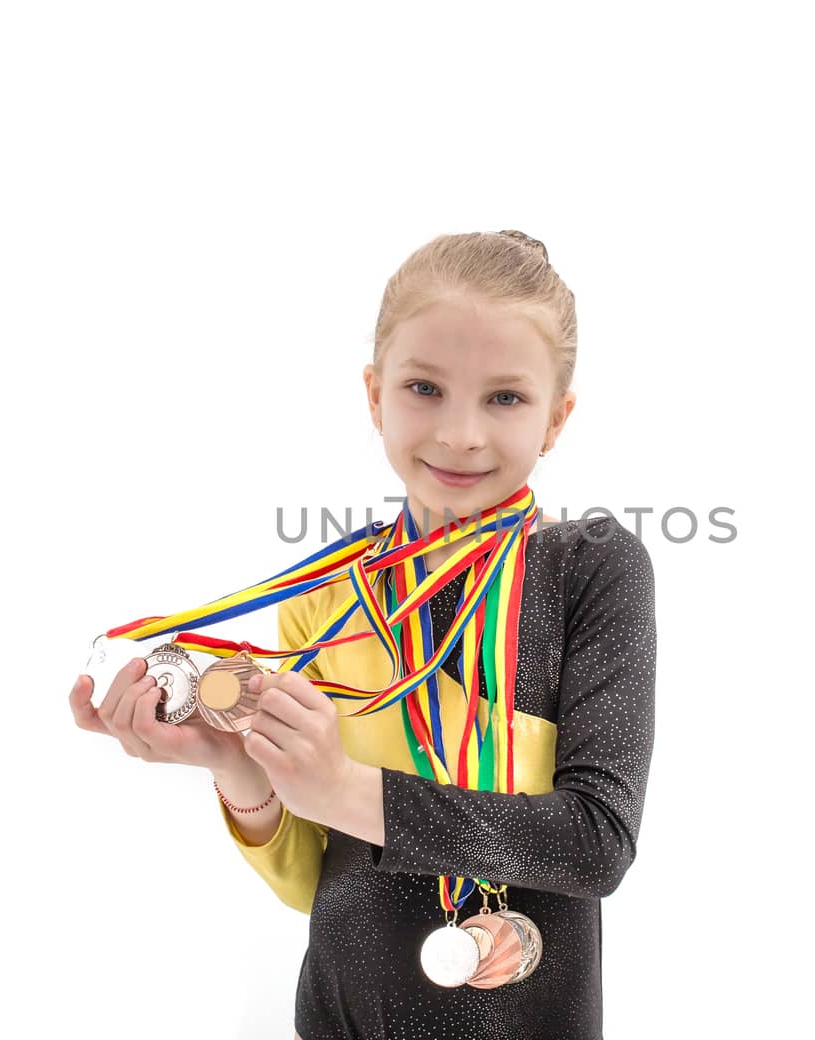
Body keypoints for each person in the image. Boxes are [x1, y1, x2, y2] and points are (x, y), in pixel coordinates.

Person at [69, 230, 658, 1039]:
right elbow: (322, 876)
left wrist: (347, 788)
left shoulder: (588, 569)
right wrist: (239, 767)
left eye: (505, 398)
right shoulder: (328, 594)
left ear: (557, 419)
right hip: (338, 1014)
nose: (459, 433)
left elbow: (597, 844)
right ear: (375, 396)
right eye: (425, 388)